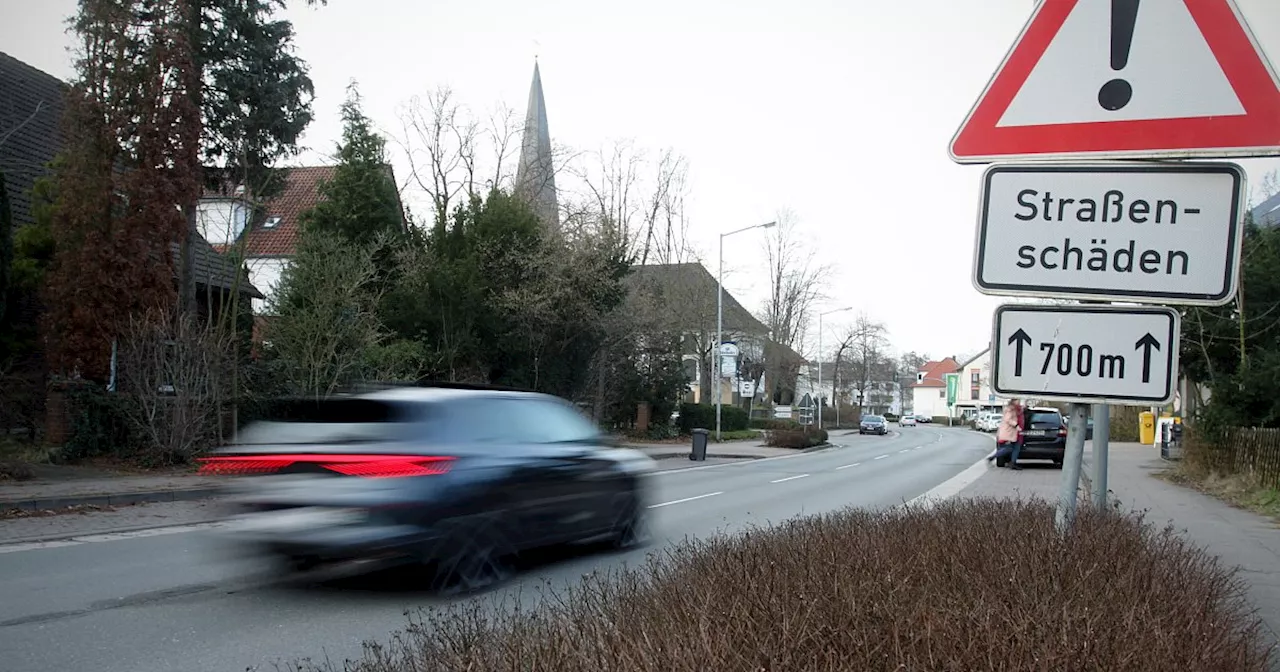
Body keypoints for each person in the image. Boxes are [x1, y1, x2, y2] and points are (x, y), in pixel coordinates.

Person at [989, 399, 1025, 470]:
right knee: (1009, 448)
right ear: (1013, 401)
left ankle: (1012, 463)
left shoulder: (1015, 409)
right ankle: (993, 457)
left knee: (1015, 447)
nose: (1019, 402)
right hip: (1009, 432)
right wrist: (1016, 425)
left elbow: (1021, 411)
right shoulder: (1010, 409)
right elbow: (1008, 419)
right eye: (1018, 400)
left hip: (1014, 432)